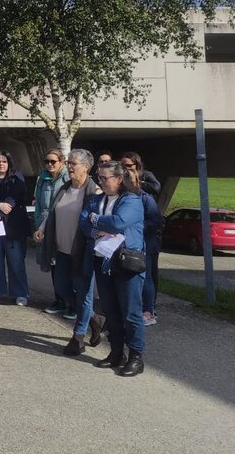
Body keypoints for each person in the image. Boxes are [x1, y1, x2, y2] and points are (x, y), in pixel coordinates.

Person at [35, 149, 103, 355]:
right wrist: (42, 228)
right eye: (70, 162)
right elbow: (54, 211)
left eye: (75, 163)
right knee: (63, 289)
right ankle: (94, 318)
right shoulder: (64, 189)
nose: (70, 166)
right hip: (62, 250)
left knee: (83, 293)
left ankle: (78, 337)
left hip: (83, 252)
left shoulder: (94, 193)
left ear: (87, 168)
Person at [81, 159, 146, 376]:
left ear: (119, 179)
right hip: (102, 260)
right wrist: (95, 229)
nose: (100, 182)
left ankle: (136, 357)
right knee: (111, 311)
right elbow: (83, 222)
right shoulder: (96, 199)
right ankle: (117, 352)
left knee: (131, 313)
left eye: (104, 178)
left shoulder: (132, 200)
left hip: (126, 263)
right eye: (98, 177)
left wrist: (95, 219)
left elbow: (119, 222)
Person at [0, 150, 30, 305]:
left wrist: (0, 213)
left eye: (4, 161)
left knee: (15, 261)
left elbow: (15, 198)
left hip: (13, 225)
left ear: (9, 163)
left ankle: (20, 293)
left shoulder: (16, 177)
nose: (1, 164)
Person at [35, 149, 70, 314]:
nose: (49, 164)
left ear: (62, 162)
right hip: (45, 223)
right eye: (46, 161)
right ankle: (59, 299)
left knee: (63, 264)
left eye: (53, 161)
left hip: (61, 224)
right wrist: (38, 225)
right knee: (53, 264)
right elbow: (38, 205)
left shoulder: (67, 179)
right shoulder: (42, 178)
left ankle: (69, 301)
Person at [127, 167, 163, 326]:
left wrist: (135, 227)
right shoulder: (124, 198)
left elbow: (155, 221)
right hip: (132, 246)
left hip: (146, 245)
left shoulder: (146, 198)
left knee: (146, 278)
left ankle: (148, 312)